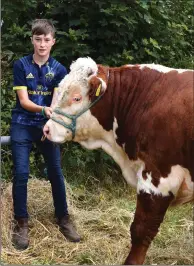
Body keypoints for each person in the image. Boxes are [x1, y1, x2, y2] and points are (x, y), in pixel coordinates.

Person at [10, 19, 81, 250]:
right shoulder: (21, 65)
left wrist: (49, 122)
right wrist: (43, 111)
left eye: (46, 40)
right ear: (32, 39)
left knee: (55, 172)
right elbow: (24, 101)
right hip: (22, 124)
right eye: (38, 39)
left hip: (46, 126)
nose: (42, 44)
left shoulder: (59, 70)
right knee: (21, 173)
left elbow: (56, 101)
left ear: (53, 42)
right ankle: (21, 222)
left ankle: (63, 218)